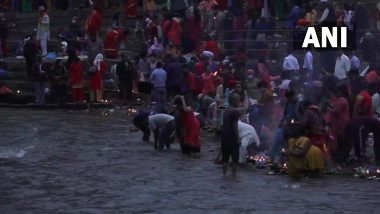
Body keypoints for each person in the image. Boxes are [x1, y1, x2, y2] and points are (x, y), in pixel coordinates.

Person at [220, 92, 241, 177]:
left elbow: (219, 107)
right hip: (232, 137)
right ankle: (234, 176)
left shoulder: (226, 109)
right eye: (238, 100)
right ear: (234, 101)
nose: (239, 102)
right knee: (235, 158)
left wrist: (218, 105)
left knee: (225, 158)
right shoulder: (235, 111)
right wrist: (238, 137)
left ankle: (224, 175)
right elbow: (235, 125)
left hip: (224, 136)